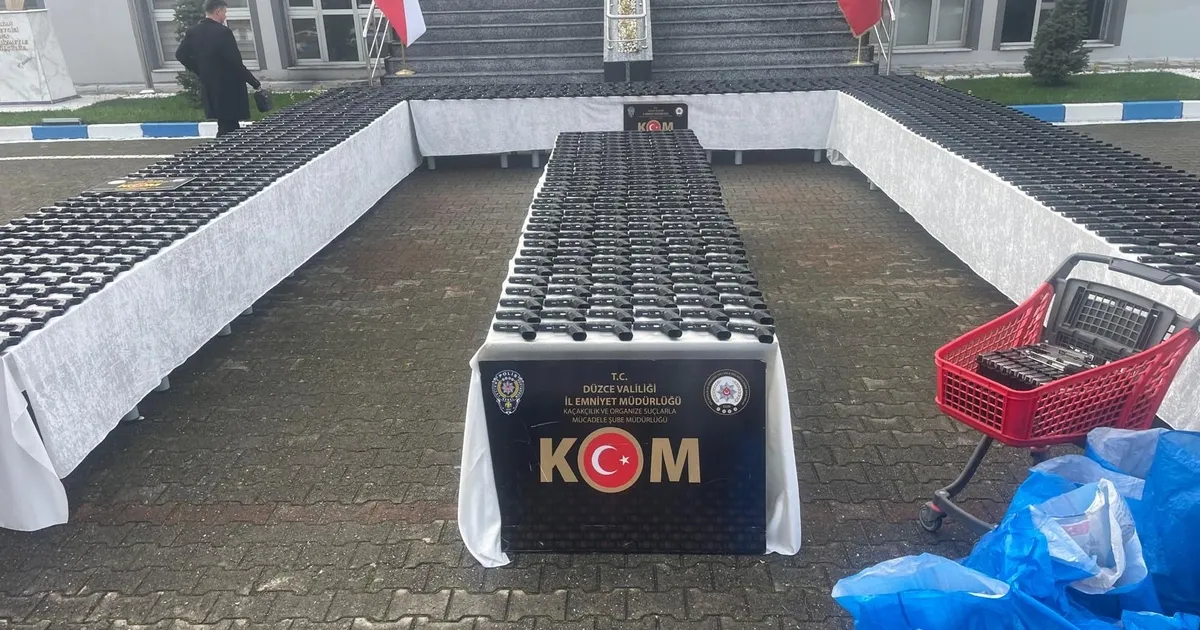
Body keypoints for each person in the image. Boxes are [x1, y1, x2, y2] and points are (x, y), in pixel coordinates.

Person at [176, 0, 262, 137]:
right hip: (229, 86)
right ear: (218, 11)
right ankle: (222, 149)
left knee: (226, 124)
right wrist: (254, 83)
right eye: (224, 12)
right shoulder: (223, 32)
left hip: (209, 85)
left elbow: (181, 55)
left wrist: (201, 70)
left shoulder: (193, 32)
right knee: (228, 126)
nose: (225, 15)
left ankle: (229, 147)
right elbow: (235, 63)